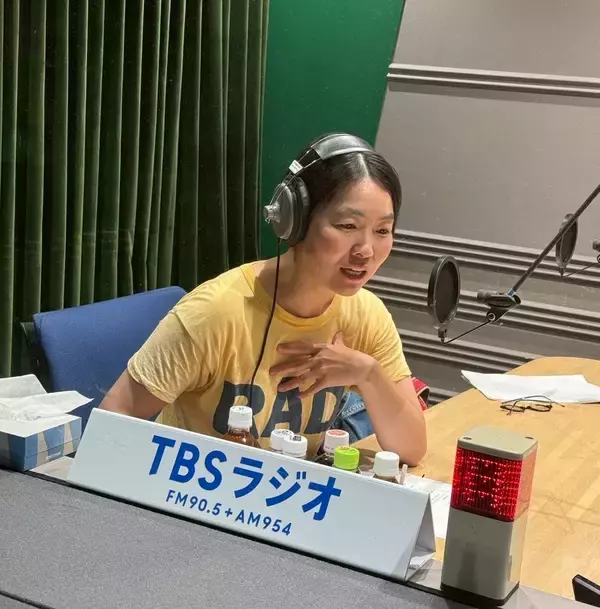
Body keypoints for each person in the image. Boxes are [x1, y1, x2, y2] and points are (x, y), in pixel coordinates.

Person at [100, 132, 427, 465]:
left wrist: (367, 374)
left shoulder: (367, 316)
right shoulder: (215, 312)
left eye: (382, 231)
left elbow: (411, 449)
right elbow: (111, 422)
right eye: (347, 225)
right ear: (294, 220)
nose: (366, 250)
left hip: (291, 490)